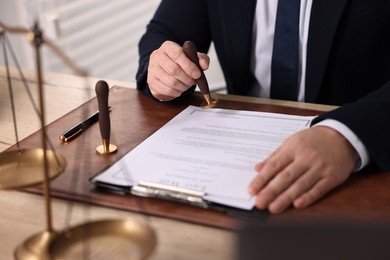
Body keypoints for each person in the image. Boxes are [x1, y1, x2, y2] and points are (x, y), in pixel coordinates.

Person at [136, 0, 390, 214]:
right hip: (235, 161)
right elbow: (165, 30)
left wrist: (345, 137)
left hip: (358, 167)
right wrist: (162, 67)